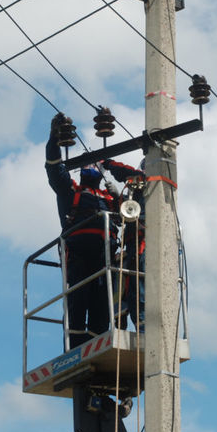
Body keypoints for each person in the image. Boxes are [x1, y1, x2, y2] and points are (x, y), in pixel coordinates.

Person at [45, 113, 119, 349]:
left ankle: (98, 343)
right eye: (87, 165)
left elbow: (136, 215)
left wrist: (119, 195)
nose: (90, 167)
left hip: (104, 257)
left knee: (102, 304)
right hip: (77, 256)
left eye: (94, 164)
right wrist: (53, 139)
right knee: (78, 301)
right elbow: (54, 170)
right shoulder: (71, 192)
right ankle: (75, 348)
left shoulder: (110, 199)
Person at [102, 158, 146, 330]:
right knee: (131, 288)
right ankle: (135, 325)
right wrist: (116, 196)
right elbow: (123, 209)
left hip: (143, 241)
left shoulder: (147, 181)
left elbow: (125, 172)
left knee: (139, 288)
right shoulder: (140, 193)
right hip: (134, 244)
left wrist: (108, 162)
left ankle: (142, 327)